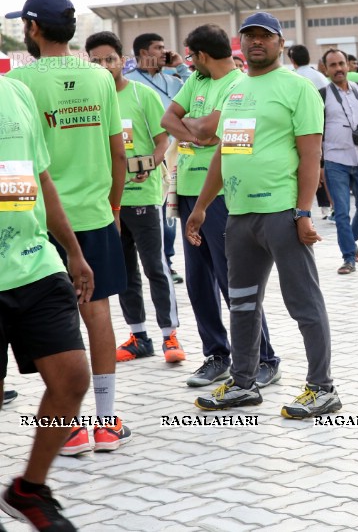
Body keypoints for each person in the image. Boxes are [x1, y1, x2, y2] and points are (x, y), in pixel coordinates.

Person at [186, 12, 339, 418]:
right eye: (249, 37)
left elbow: (311, 154)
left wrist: (304, 211)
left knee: (303, 302)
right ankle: (242, 383)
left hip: (281, 213)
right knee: (241, 303)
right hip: (239, 215)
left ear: (280, 42)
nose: (256, 43)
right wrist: (201, 207)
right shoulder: (235, 90)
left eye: (264, 37)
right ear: (240, 44)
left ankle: (322, 388)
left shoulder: (297, 88)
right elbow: (225, 151)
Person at [6, 0, 132, 455]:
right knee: (97, 312)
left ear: (33, 28)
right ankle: (106, 422)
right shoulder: (101, 78)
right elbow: (119, 153)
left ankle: (70, 428)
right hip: (96, 216)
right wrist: (113, 209)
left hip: (41, 222)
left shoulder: (21, 83)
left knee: (53, 322)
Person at [162, 24, 280, 388]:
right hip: (187, 194)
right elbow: (172, 120)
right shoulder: (197, 81)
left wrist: (197, 129)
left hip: (218, 197)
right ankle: (217, 354)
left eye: (190, 55)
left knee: (234, 282)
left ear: (201, 55)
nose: (188, 62)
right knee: (198, 281)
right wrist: (196, 136)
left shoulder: (236, 84)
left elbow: (212, 126)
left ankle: (264, 357)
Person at [0, 73, 92, 531]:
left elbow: (38, 175)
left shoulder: (16, 91)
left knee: (73, 377)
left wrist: (72, 250)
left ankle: (28, 489)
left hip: (35, 262)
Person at [85, 31, 185, 363]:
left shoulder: (142, 96)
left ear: (122, 61)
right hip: (106, 202)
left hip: (143, 196)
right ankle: (138, 336)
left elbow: (162, 142)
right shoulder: (90, 100)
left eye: (109, 59)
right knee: (124, 271)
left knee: (155, 266)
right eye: (96, 61)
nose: (103, 66)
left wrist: (150, 164)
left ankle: (170, 336)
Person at [124, 32, 189, 285]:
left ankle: (167, 262)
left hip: (172, 157)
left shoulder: (173, 81)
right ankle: (145, 265)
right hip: (143, 156)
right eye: (158, 48)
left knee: (168, 214)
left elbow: (196, 90)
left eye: (165, 47)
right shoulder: (129, 82)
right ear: (142, 53)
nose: (164, 51)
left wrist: (181, 66)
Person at [320, 48, 358, 274]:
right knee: (342, 212)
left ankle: (351, 244)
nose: (338, 69)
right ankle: (348, 258)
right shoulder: (322, 95)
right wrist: (318, 163)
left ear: (348, 65)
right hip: (335, 160)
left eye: (341, 64)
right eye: (332, 65)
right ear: (325, 69)